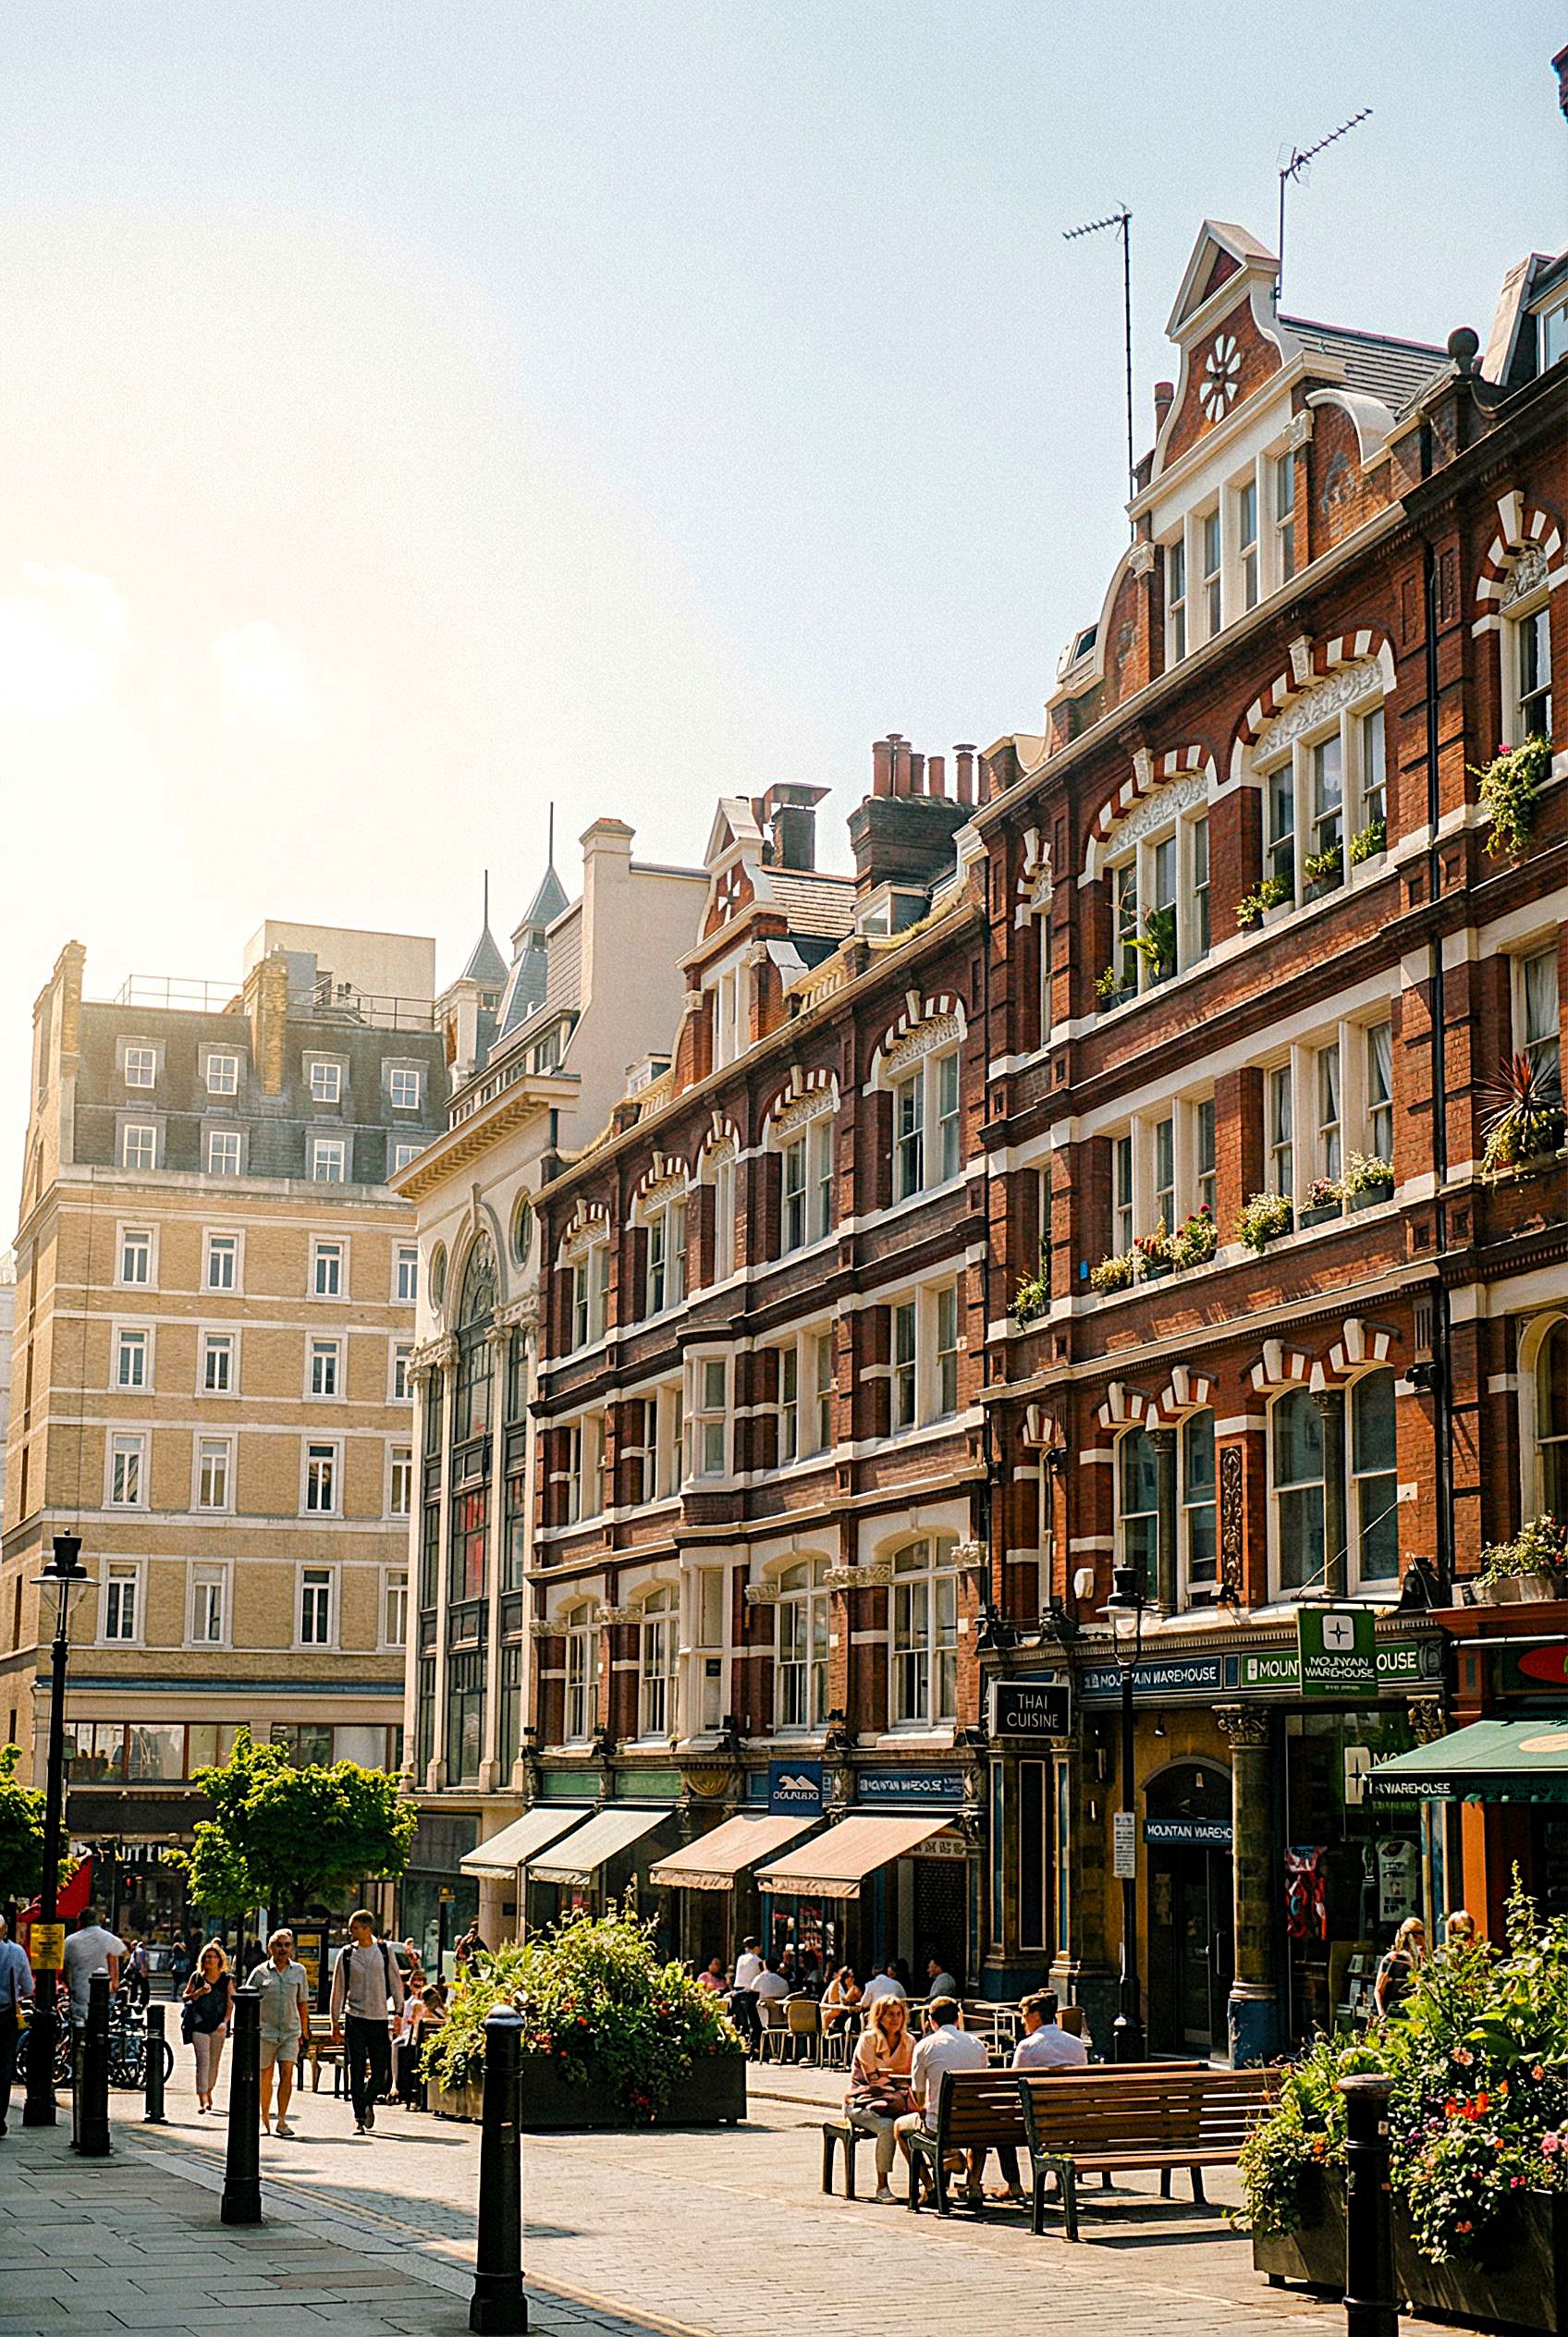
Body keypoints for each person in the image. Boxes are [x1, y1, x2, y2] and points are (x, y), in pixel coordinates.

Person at [988, 1992, 1089, 2202]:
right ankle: (1059, 2181)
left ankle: (1014, 2184)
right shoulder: (1076, 2044)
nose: (1022, 2020)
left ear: (1036, 2016)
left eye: (1024, 2014)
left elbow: (1015, 2086)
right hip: (1072, 2120)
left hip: (1038, 2123)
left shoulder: (1028, 2046)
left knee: (1000, 2128)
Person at [894, 1998, 988, 2201]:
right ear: (958, 2018)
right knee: (977, 2131)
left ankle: (930, 2187)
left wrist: (922, 2107)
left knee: (900, 2128)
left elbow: (918, 2093)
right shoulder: (977, 2045)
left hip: (939, 2125)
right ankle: (973, 2185)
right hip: (974, 2123)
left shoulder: (925, 2046)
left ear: (931, 2020)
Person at [330, 1907, 405, 2135]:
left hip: (379, 2017)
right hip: (355, 2017)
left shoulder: (384, 1950)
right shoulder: (347, 1953)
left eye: (355, 1928)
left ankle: (365, 2098)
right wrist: (335, 2020)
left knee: (381, 2071)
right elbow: (339, 1987)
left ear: (367, 1929)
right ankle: (359, 2116)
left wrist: (400, 2012)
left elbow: (394, 1980)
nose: (350, 1931)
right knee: (357, 2066)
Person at [845, 1992, 915, 2205]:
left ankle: (927, 2183)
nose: (894, 2019)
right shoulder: (868, 2039)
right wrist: (894, 2083)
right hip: (863, 2102)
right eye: (889, 2015)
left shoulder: (909, 2041)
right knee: (887, 2126)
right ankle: (882, 2186)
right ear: (879, 2017)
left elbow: (913, 2076)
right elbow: (872, 2078)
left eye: (898, 2014)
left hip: (896, 2101)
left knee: (918, 2123)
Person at [252, 1929, 312, 2137]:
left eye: (287, 1945)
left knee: (287, 2073)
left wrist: (304, 2031)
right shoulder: (259, 1973)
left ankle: (282, 2120)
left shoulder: (299, 1971)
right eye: (279, 1945)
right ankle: (264, 2118)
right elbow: (248, 2001)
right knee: (265, 2076)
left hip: (290, 2031)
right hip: (265, 2032)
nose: (283, 1949)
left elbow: (302, 2002)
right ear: (271, 1948)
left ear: (292, 1947)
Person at [182, 1941, 235, 2113]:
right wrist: (199, 1993)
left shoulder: (226, 1979)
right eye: (207, 1957)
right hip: (199, 2024)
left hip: (218, 2026)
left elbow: (231, 2002)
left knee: (214, 2063)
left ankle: (209, 2091)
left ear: (220, 1960)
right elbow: (185, 1997)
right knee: (203, 2063)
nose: (210, 1960)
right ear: (202, 1960)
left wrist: (225, 2022)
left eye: (213, 1957)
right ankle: (203, 2098)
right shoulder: (197, 1977)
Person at [62, 1905, 125, 2032]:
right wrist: (113, 1989)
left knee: (78, 2034)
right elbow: (115, 1974)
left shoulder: (70, 1941)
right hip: (103, 1998)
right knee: (101, 2034)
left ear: (80, 1922)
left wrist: (72, 1989)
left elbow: (67, 1972)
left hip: (79, 1996)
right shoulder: (110, 1939)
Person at [0, 1915, 34, 2137]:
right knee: (3, 2068)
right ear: (4, 1930)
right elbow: (28, 1987)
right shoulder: (16, 1952)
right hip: (5, 2014)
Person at [1374, 1916, 1427, 2018]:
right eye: (1420, 1934)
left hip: (1415, 2013)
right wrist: (1382, 2015)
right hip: (1395, 2012)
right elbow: (1379, 1990)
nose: (1423, 1938)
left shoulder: (1422, 1960)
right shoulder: (1392, 1958)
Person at [821, 1964, 863, 2041]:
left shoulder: (851, 1988)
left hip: (844, 2015)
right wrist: (850, 1996)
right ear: (844, 1978)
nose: (853, 1980)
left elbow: (860, 2000)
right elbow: (835, 2003)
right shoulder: (835, 1984)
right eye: (851, 1977)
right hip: (834, 2017)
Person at [125, 1936, 151, 2011]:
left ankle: (132, 2000)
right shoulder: (141, 1951)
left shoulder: (135, 1951)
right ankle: (143, 2001)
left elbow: (132, 1962)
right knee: (145, 1988)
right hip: (140, 1971)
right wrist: (143, 1970)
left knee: (134, 1987)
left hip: (135, 1971)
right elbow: (140, 1961)